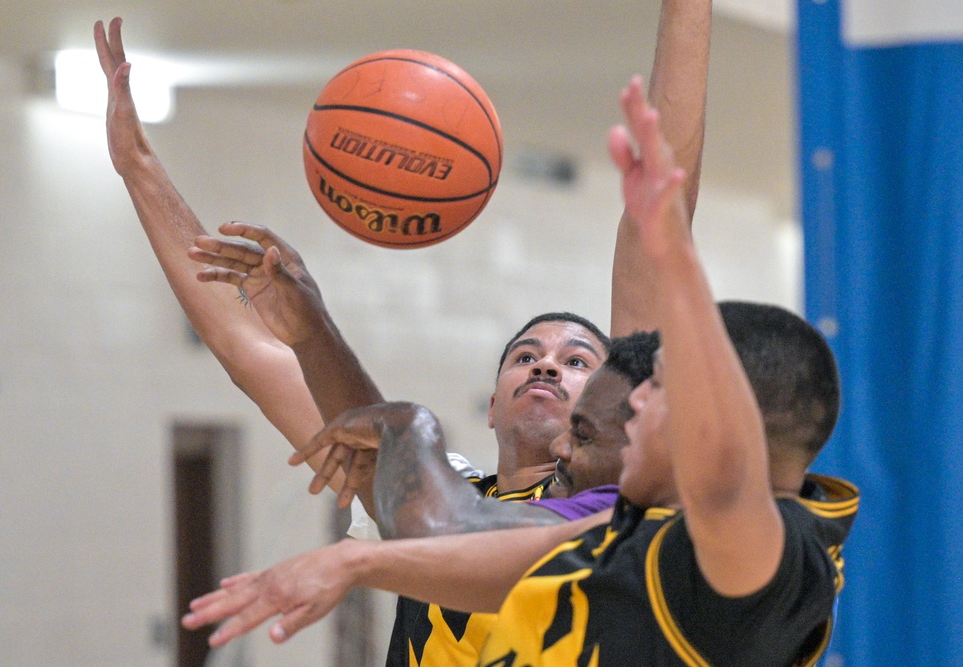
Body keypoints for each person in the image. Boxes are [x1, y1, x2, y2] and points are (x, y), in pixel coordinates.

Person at [181, 75, 858, 667]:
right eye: (528, 355)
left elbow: (725, 482)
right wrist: (356, 561)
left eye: (655, 392)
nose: (637, 406)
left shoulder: (772, 556)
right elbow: (496, 550)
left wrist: (674, 253)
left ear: (710, 427)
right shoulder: (628, 530)